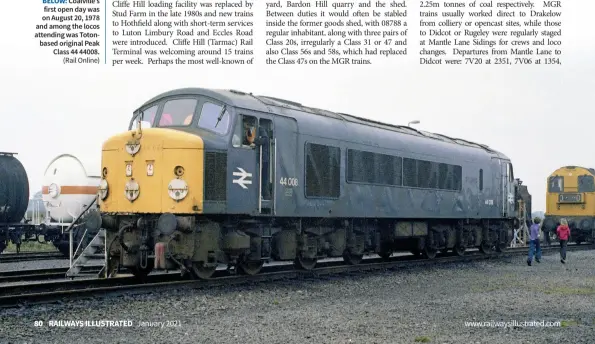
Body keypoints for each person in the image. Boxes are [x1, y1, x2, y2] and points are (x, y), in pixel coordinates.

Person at [254, 126, 271, 199]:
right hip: (261, 159)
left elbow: (263, 140)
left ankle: (266, 196)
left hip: (264, 160)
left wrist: (253, 140)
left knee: (264, 179)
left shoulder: (261, 131)